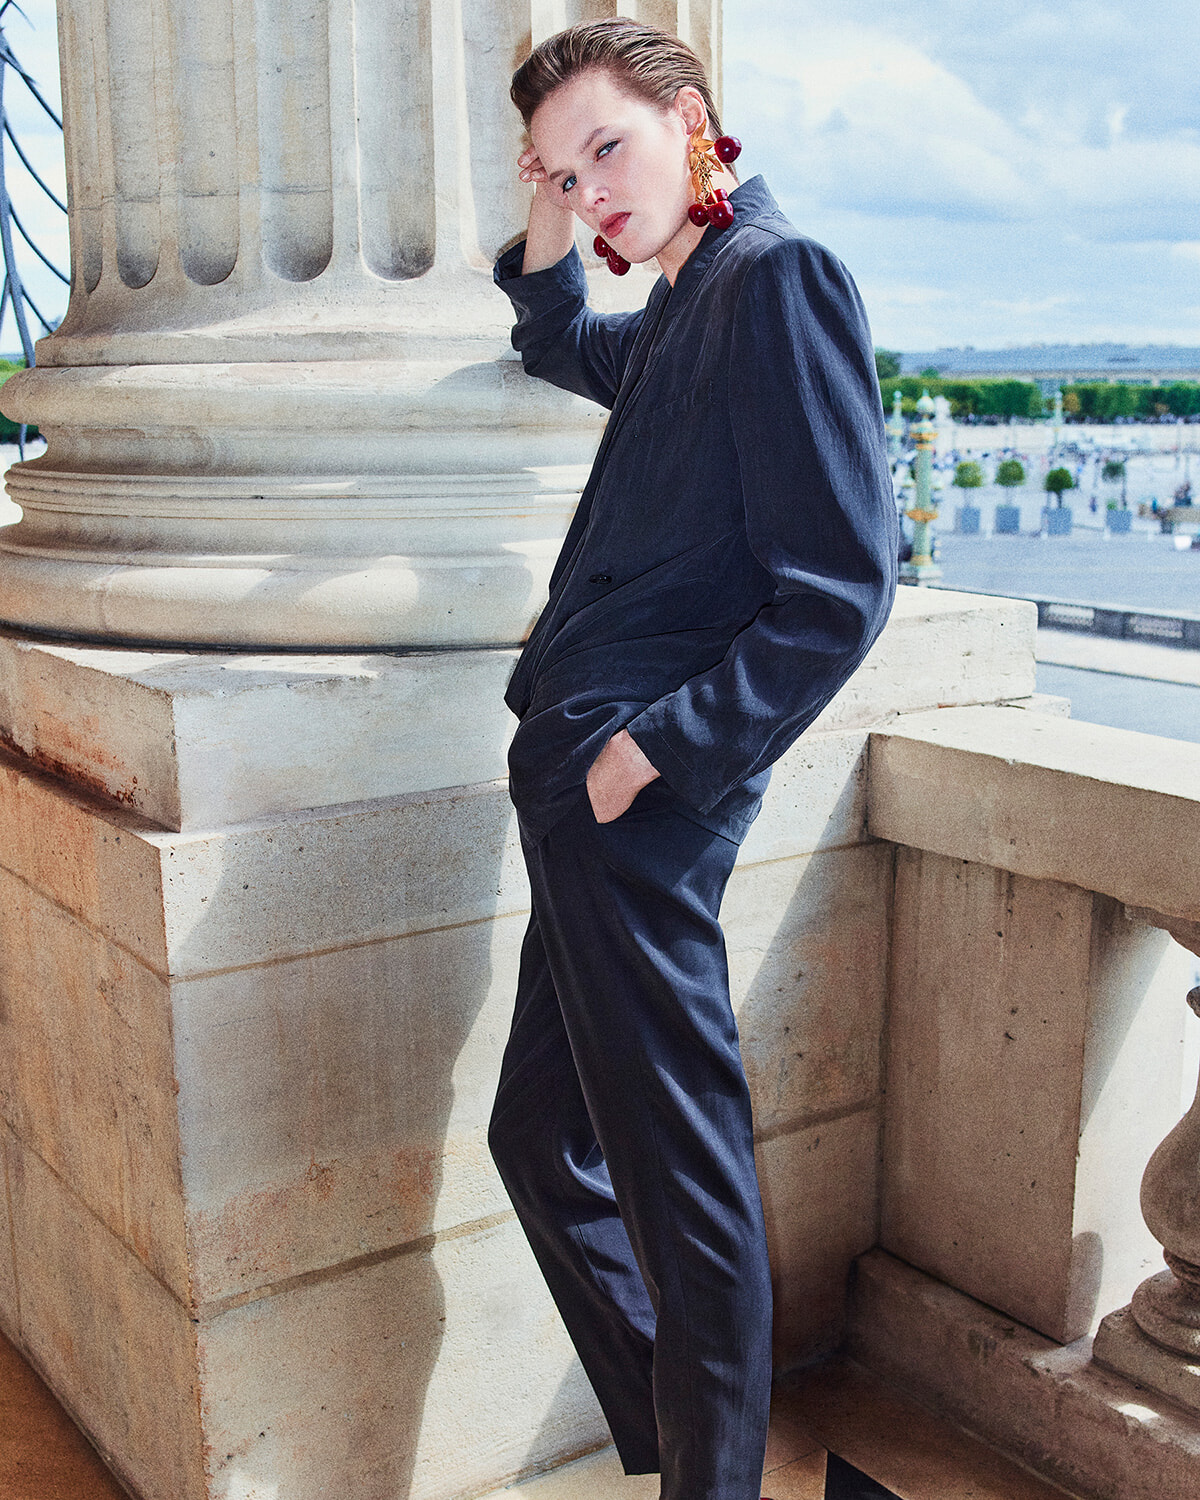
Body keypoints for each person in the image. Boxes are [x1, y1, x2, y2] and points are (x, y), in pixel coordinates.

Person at [486, 20, 898, 1500]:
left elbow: (840, 589)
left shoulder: (775, 278)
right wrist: (551, 214)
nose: (591, 191)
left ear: (692, 118)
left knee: (686, 1194)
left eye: (608, 148)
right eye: (563, 172)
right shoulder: (681, 300)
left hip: (638, 799)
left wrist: (651, 756)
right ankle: (686, 1447)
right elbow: (554, 338)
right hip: (584, 789)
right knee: (539, 1137)